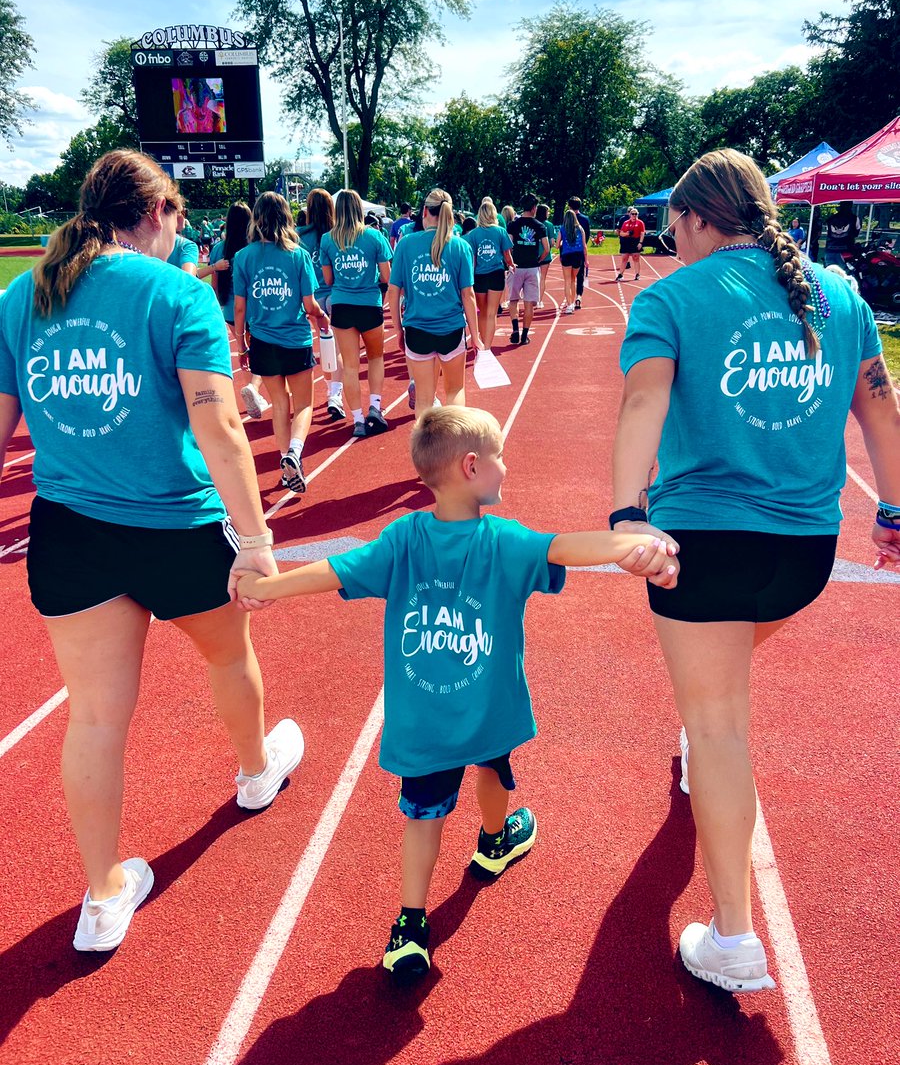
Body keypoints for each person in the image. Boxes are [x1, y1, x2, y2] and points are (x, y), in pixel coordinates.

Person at [236, 405, 679, 976]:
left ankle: (409, 928)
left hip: (424, 724)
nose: (504, 467)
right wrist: (628, 546)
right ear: (472, 466)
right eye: (499, 457)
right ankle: (494, 842)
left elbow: (333, 572)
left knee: (423, 818)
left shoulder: (401, 538)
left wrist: (270, 587)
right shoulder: (505, 541)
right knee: (493, 772)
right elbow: (563, 547)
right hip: (487, 712)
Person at [0, 150, 304, 952]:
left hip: (71, 533)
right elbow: (221, 428)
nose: (179, 231)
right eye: (175, 218)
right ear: (161, 212)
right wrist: (255, 540)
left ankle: (101, 899)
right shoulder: (178, 292)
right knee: (228, 656)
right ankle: (253, 772)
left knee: (95, 716)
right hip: (176, 526)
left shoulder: (19, 298)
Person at [612, 148, 900, 993]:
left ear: (699, 218)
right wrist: (894, 509)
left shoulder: (670, 298)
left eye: (673, 228)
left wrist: (628, 511)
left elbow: (641, 402)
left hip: (702, 545)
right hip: (805, 556)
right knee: (718, 704)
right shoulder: (839, 294)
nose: (670, 243)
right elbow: (879, 404)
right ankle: (707, 746)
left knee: (719, 725)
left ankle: (735, 937)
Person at [232, 192, 322, 494]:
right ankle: (294, 453)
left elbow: (240, 308)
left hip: (262, 341)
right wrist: (321, 318)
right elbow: (310, 304)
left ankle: (286, 464)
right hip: (295, 339)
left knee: (280, 404)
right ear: (286, 217)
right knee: (305, 403)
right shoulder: (298, 255)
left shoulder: (243, 257)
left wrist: (242, 343)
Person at [387, 188, 482, 416]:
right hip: (451, 330)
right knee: (455, 389)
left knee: (424, 398)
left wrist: (398, 329)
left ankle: (423, 451)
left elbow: (393, 291)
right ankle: (455, 447)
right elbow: (467, 295)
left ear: (424, 212)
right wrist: (475, 336)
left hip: (417, 329)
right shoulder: (460, 247)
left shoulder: (406, 244)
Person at [319, 190, 393, 438]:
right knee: (375, 358)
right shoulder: (374, 237)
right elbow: (387, 277)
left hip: (342, 305)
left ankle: (358, 420)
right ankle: (375, 406)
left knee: (350, 366)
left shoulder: (327, 239)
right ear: (359, 209)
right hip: (369, 303)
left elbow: (328, 279)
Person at [209, 202, 270, 422]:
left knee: (244, 352)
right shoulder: (254, 248)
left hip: (229, 309)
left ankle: (251, 388)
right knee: (261, 350)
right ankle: (255, 388)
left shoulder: (219, 248)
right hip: (255, 308)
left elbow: (214, 285)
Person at [298, 188, 344, 422]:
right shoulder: (337, 235)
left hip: (312, 298)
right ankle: (335, 394)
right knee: (336, 347)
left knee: (325, 345)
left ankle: (331, 391)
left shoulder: (298, 235)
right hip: (336, 293)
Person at [463, 197, 514, 351]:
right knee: (492, 313)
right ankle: (487, 347)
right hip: (496, 274)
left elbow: (472, 258)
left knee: (483, 312)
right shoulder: (500, 231)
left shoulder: (473, 234)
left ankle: (482, 343)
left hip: (479, 276)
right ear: (493, 214)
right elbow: (507, 254)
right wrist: (512, 265)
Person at [506, 194, 549, 346]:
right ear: (533, 208)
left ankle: (515, 329)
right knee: (529, 303)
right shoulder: (539, 225)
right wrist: (539, 259)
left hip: (516, 267)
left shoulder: (513, 224)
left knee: (513, 300)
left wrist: (511, 260)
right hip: (532, 268)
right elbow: (546, 248)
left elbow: (508, 245)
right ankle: (525, 335)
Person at [556, 208, 587, 313]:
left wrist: (561, 244)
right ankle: (572, 302)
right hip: (578, 256)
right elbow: (584, 246)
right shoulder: (580, 228)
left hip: (566, 255)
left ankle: (569, 305)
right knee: (573, 279)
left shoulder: (562, 228)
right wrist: (586, 260)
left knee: (567, 281)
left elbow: (556, 245)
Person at [823, 201, 861, 268]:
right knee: (844, 274)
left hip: (830, 249)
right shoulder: (854, 218)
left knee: (829, 273)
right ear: (851, 206)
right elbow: (856, 233)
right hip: (846, 251)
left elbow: (828, 233)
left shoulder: (831, 218)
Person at [567, 196, 591, 301]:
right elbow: (588, 234)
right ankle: (579, 295)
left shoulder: (566, 218)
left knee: (568, 275)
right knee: (580, 274)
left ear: (569, 206)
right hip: (580, 250)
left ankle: (570, 297)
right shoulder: (585, 219)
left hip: (567, 251)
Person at [615, 206, 645, 281]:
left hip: (635, 241)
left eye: (635, 214)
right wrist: (627, 233)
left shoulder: (640, 223)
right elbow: (621, 233)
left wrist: (640, 242)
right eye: (632, 214)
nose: (634, 215)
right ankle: (621, 274)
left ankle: (637, 274)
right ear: (630, 214)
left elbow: (642, 233)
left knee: (636, 258)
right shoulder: (625, 223)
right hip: (626, 241)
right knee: (624, 258)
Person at [536, 203, 555, 308]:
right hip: (546, 255)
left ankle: (532, 299)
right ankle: (539, 300)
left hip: (534, 254)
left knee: (532, 278)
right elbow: (552, 242)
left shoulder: (534, 223)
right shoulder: (549, 225)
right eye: (548, 212)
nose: (549, 213)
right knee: (542, 278)